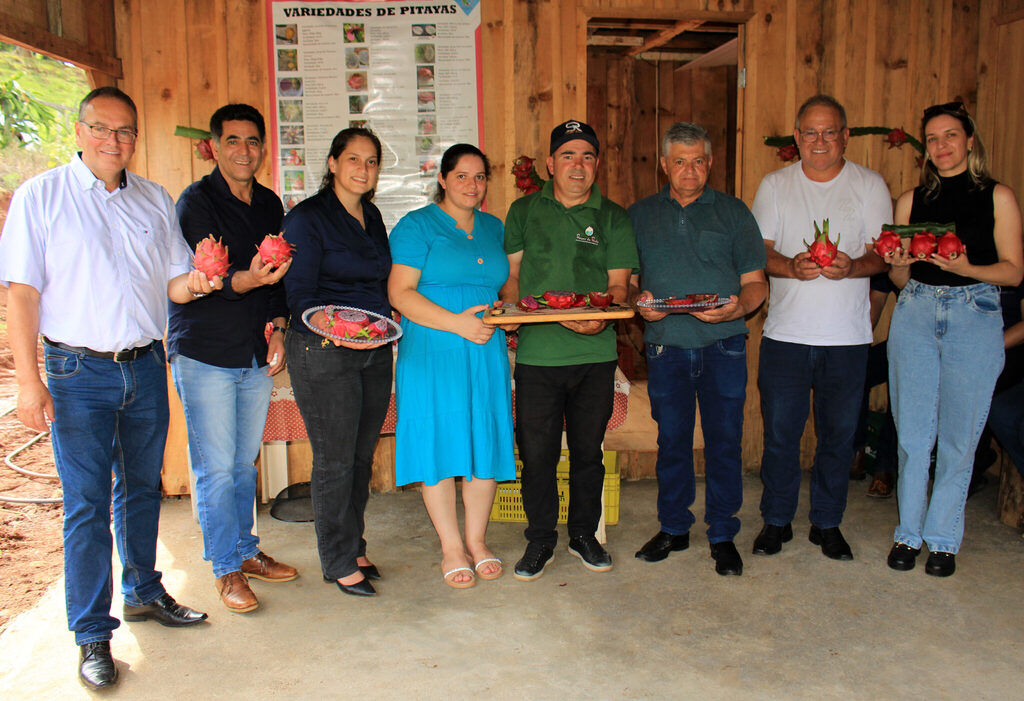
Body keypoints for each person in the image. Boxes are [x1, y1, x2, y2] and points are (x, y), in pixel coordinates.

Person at [0, 87, 212, 691]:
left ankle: (144, 589)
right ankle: (92, 632)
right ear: (79, 129)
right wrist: (28, 382)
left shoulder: (152, 199)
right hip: (76, 373)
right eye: (102, 128)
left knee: (141, 490)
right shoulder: (42, 197)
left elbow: (173, 283)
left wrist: (201, 281)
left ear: (135, 138)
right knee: (87, 505)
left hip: (145, 366)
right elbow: (22, 294)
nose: (113, 141)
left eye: (125, 132)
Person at [167, 103, 298, 614]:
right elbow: (212, 277)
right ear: (215, 147)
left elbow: (276, 275)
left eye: (252, 141)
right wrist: (250, 279)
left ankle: (245, 551)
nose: (244, 151)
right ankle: (224, 567)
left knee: (244, 463)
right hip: (204, 349)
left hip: (253, 348)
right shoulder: (195, 203)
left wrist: (279, 330)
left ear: (262, 149)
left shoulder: (268, 203)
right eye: (233, 141)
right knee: (216, 469)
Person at [885, 101, 1023, 576]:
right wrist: (898, 261)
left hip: (976, 312)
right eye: (932, 139)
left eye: (950, 136)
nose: (941, 146)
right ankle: (908, 533)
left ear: (968, 140)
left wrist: (966, 269)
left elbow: (1014, 269)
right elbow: (901, 281)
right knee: (914, 435)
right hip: (917, 311)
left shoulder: (998, 197)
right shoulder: (910, 200)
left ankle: (943, 539)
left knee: (960, 437)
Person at [751, 94, 891, 561]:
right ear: (796, 137)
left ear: (845, 136)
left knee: (838, 438)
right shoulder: (775, 185)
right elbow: (758, 253)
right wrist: (790, 266)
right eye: (810, 132)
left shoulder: (869, 185)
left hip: (847, 339)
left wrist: (854, 267)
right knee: (780, 437)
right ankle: (776, 521)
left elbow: (882, 254)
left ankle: (827, 523)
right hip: (786, 337)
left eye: (830, 131)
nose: (819, 141)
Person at [502, 119, 638, 581]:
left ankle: (584, 534)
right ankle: (540, 539)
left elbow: (621, 285)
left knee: (587, 453)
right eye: (567, 155)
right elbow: (514, 277)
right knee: (536, 454)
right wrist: (511, 306)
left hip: (595, 357)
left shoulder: (614, 217)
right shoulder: (523, 212)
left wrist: (605, 314)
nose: (577, 165)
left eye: (586, 156)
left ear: (597, 164)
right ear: (549, 164)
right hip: (537, 356)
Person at [629, 122, 767, 576]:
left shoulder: (733, 212)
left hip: (723, 346)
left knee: (725, 442)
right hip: (666, 347)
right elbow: (629, 280)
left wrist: (736, 312)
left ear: (710, 164)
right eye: (681, 161)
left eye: (699, 161)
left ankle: (723, 532)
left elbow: (755, 285)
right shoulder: (641, 214)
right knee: (672, 442)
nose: (690, 170)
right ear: (665, 164)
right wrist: (639, 303)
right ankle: (673, 527)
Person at [388, 144, 515, 588]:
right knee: (436, 446)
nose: (472, 185)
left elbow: (502, 284)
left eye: (480, 177)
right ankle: (451, 548)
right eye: (461, 176)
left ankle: (477, 541)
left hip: (485, 351)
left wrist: (504, 313)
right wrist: (459, 325)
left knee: (483, 442)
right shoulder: (416, 226)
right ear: (443, 179)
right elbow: (400, 293)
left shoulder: (494, 227)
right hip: (433, 349)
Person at [282, 127, 392, 597]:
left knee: (361, 456)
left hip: (374, 347)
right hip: (323, 350)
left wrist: (381, 327)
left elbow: (380, 282)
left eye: (370, 161)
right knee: (334, 460)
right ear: (332, 164)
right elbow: (300, 294)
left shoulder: (372, 215)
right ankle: (337, 559)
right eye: (353, 159)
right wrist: (341, 331)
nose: (362, 169)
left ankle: (354, 543)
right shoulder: (307, 218)